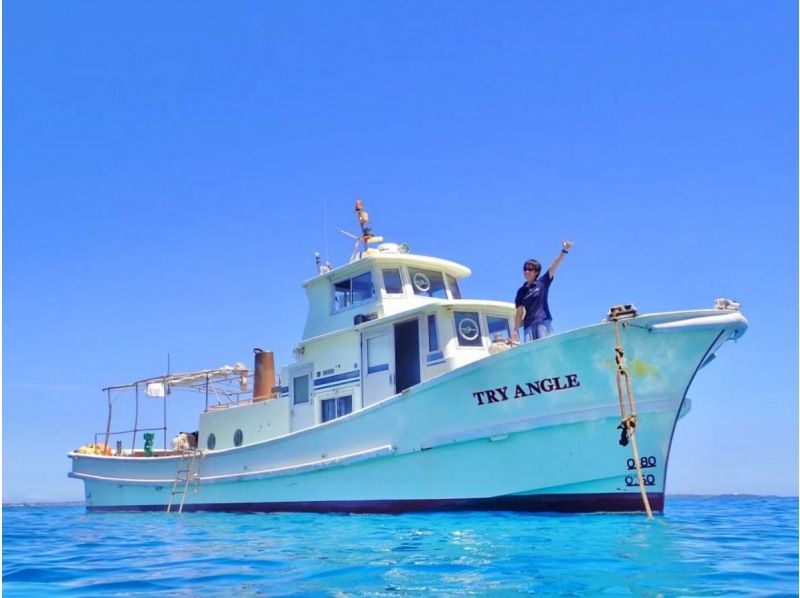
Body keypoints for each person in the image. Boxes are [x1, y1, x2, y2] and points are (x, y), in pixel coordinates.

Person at [512, 240, 575, 343]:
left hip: (543, 322)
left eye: (530, 269)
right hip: (528, 326)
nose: (526, 271)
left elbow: (554, 266)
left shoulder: (542, 283)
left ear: (536, 272)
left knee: (544, 348)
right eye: (525, 269)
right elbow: (519, 312)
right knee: (532, 352)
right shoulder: (521, 291)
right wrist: (515, 329)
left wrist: (564, 250)